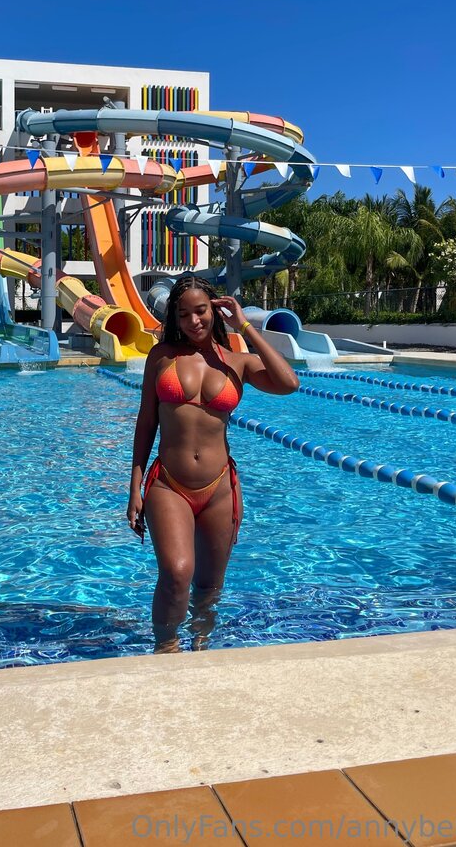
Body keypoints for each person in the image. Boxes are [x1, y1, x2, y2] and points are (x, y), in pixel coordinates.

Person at [127, 275, 300, 653]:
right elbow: (146, 421)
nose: (194, 321)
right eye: (184, 314)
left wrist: (245, 328)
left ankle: (201, 647)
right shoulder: (162, 356)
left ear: (216, 311)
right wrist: (134, 486)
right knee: (177, 573)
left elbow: (289, 383)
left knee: (209, 586)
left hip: (219, 488)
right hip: (169, 484)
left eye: (201, 311)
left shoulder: (237, 362)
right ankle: (166, 649)